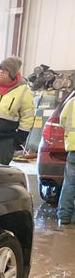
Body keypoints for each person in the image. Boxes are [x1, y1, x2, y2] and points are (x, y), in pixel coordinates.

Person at [56, 95, 75, 226]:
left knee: (69, 184)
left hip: (73, 148)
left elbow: (62, 120)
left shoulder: (72, 102)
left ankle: (64, 217)